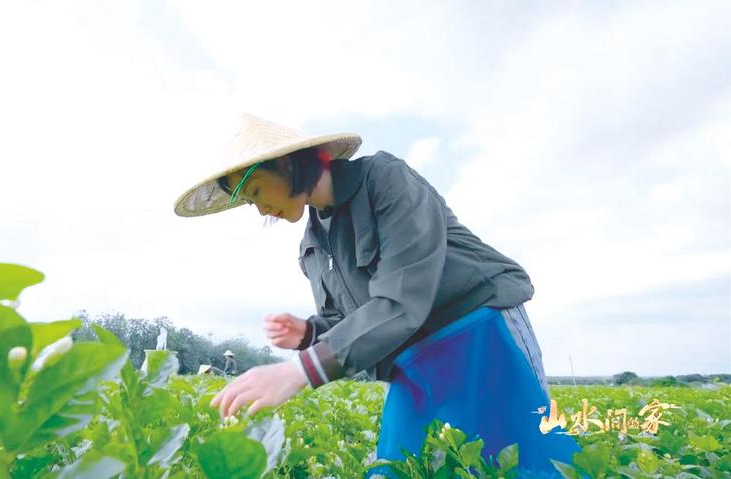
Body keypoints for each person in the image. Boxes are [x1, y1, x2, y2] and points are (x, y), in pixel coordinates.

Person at [173, 114, 581, 477]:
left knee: (528, 459)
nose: (261, 211)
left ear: (286, 163)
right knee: (398, 467)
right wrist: (309, 333)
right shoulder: (312, 246)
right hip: (410, 359)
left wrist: (298, 372)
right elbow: (354, 321)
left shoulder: (384, 180)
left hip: (479, 330)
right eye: (250, 203)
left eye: (258, 191)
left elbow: (402, 300)